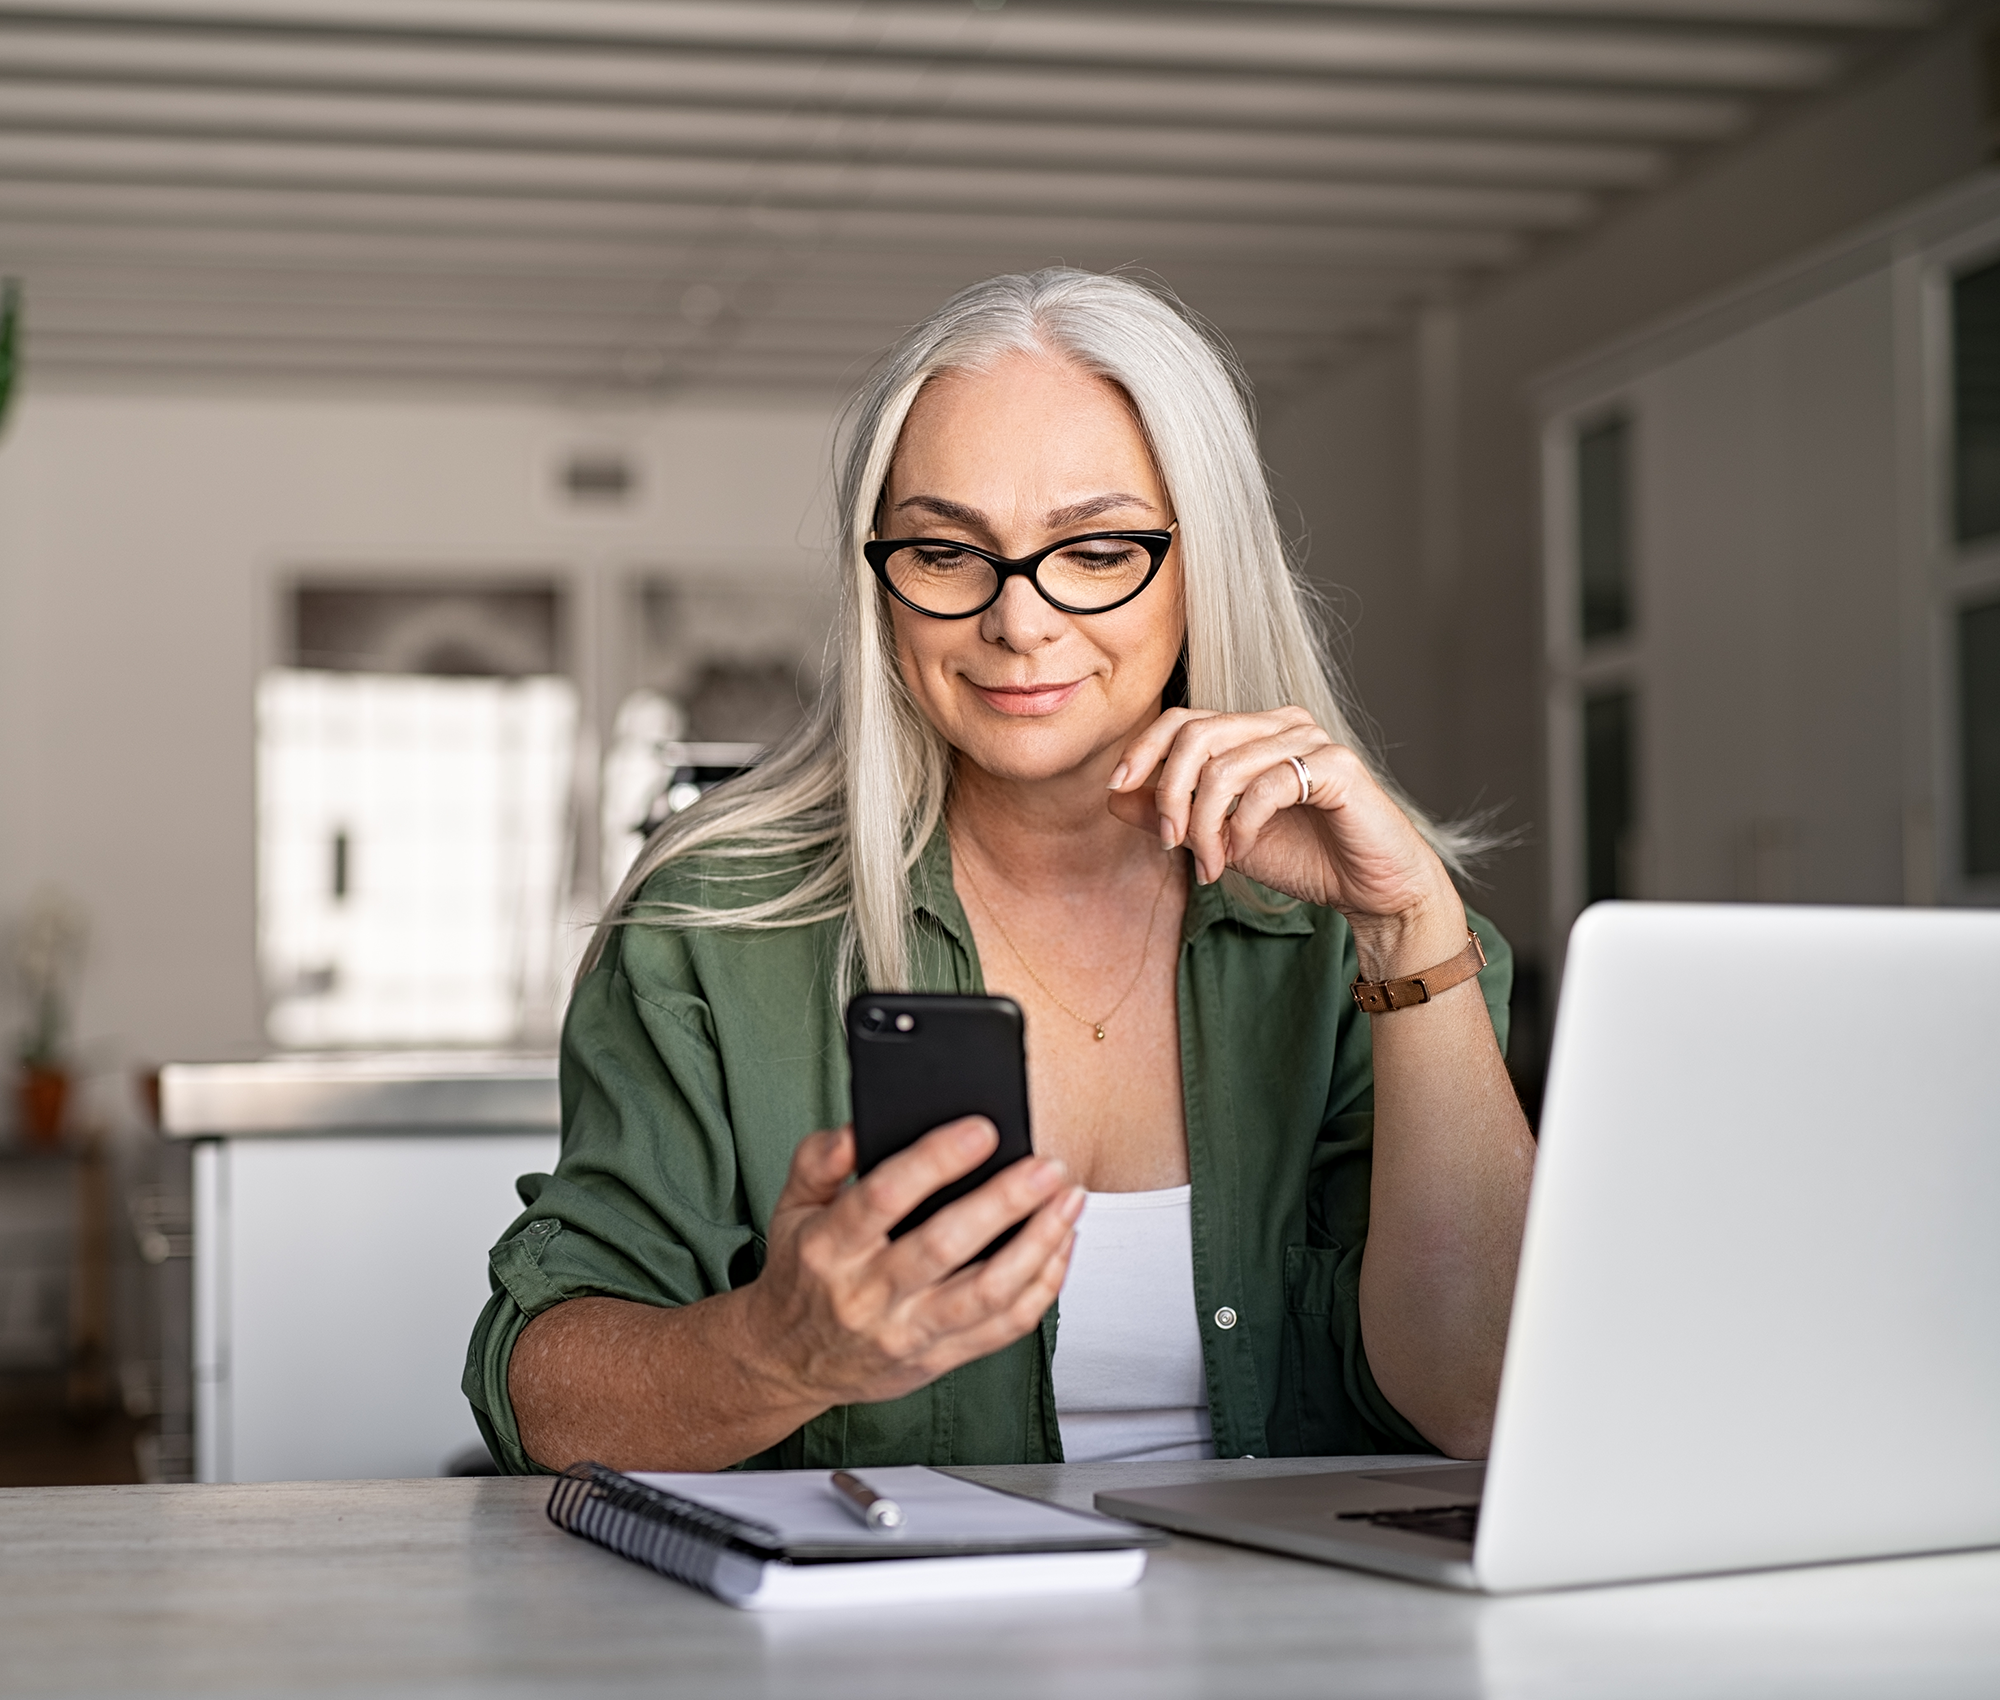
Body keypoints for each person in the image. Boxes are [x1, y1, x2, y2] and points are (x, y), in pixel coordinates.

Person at [465, 269, 1536, 1475]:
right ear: (880, 584)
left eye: (1092, 550)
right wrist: (779, 1349)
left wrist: (1407, 931)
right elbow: (542, 1394)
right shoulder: (713, 923)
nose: (1017, 621)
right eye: (943, 550)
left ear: (1203, 563)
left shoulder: (1378, 937)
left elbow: (1482, 1401)